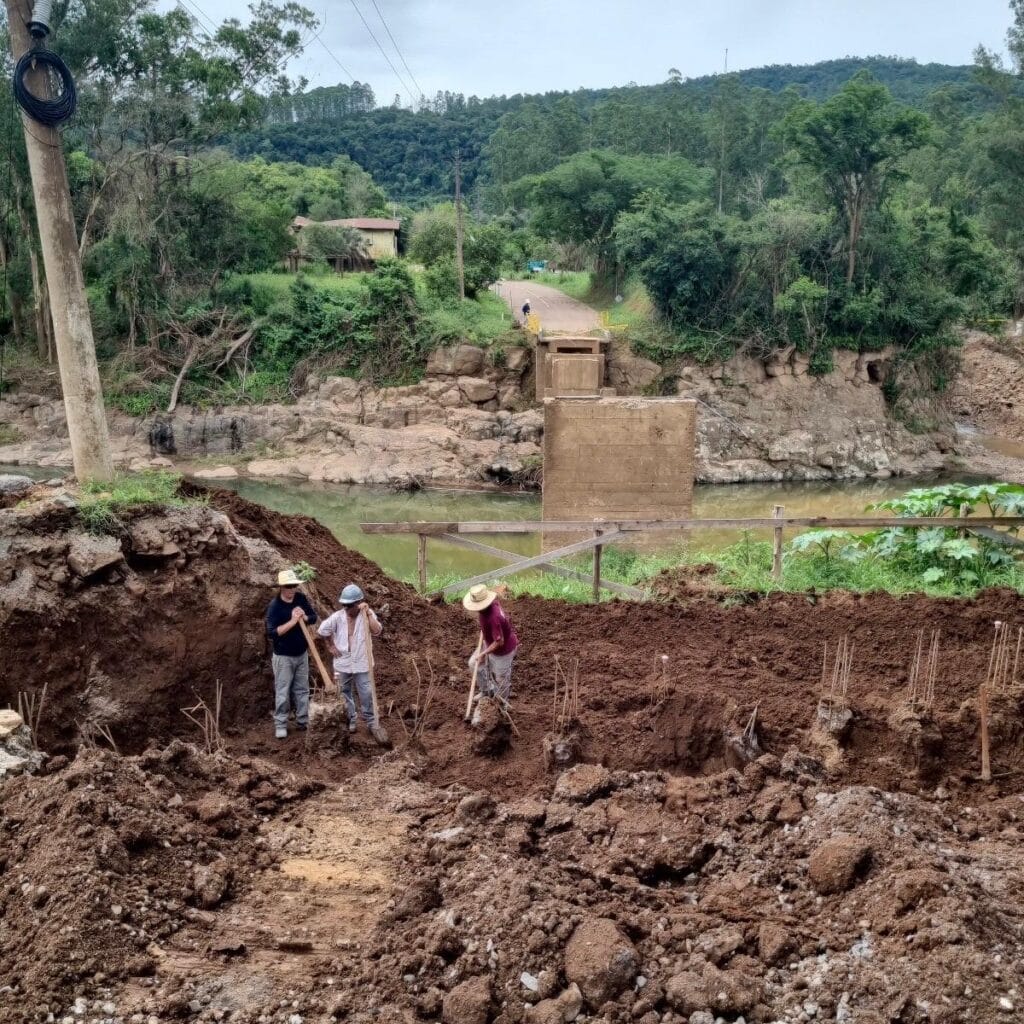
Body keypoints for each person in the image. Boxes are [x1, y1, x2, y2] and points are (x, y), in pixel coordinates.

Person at [317, 583, 385, 741]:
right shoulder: (338, 617)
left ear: (358, 603)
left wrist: (368, 614)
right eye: (344, 605)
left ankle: (371, 721)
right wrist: (330, 645)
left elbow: (377, 631)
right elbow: (322, 630)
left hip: (362, 661)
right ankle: (351, 719)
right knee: (344, 692)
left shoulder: (367, 615)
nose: (346, 609)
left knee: (367, 692)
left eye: (349, 605)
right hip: (343, 662)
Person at [265, 569, 318, 739]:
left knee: (302, 689)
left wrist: (305, 617)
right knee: (283, 691)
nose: (292, 589)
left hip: (301, 654)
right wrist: (293, 621)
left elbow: (313, 617)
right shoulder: (275, 607)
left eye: (294, 585)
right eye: (289, 586)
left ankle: (303, 720)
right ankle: (281, 723)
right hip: (283, 657)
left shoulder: (301, 599)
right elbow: (272, 632)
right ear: (281, 587)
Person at [463, 584, 519, 704]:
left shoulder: (494, 617)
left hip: (503, 651)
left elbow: (499, 642)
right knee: (474, 664)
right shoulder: (491, 605)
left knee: (501, 680)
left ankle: (502, 706)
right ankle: (487, 691)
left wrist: (483, 653)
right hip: (489, 643)